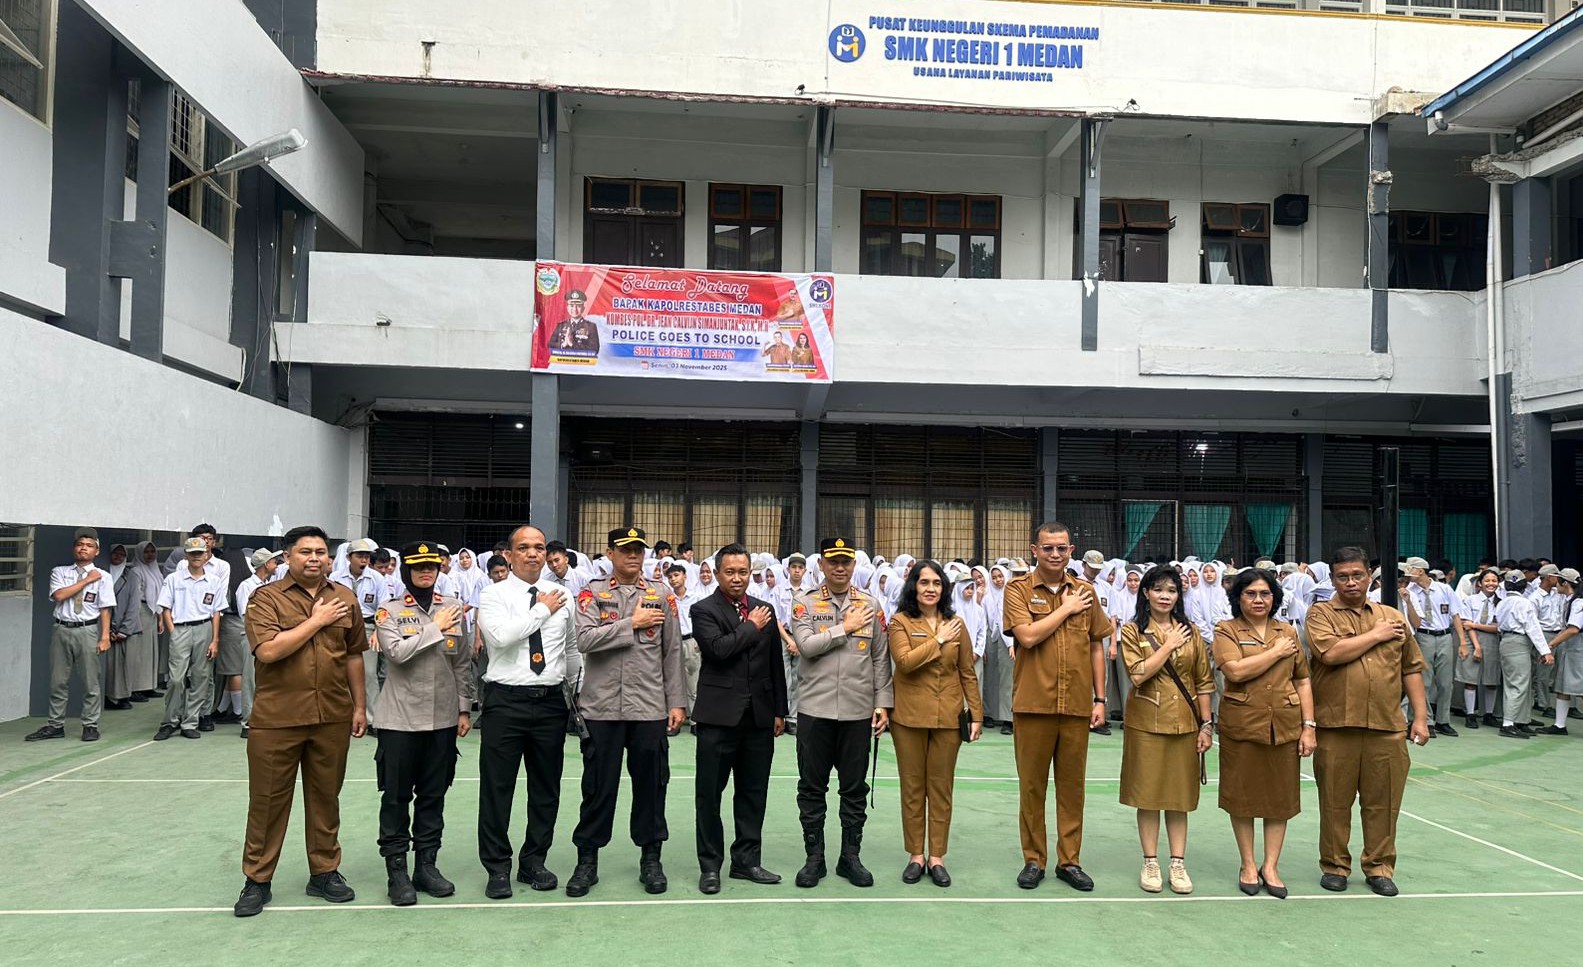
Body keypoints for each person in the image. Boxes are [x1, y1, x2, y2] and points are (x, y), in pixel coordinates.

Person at [235, 525, 370, 918]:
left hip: (331, 714)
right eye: (305, 552)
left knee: (326, 797)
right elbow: (268, 651)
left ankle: (324, 872)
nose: (314, 558)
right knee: (268, 801)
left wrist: (360, 707)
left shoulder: (344, 597)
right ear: (287, 557)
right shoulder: (266, 598)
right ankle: (257, 879)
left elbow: (353, 655)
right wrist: (317, 620)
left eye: (321, 552)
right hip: (278, 717)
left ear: (329, 558)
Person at [1304, 546, 1432, 898]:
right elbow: (1330, 654)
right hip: (1336, 726)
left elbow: (1411, 668)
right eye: (1342, 577)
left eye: (1357, 575)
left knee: (1384, 802)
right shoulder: (1320, 615)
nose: (1351, 582)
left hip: (1386, 725)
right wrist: (1376, 635)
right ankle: (1334, 865)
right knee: (1335, 802)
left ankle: (1379, 866)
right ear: (1333, 580)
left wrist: (1420, 718)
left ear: (1368, 577)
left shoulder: (1392, 616)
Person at [568, 527, 686, 897]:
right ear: (610, 553)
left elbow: (672, 651)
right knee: (597, 787)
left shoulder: (661, 594)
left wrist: (677, 702)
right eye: (625, 550)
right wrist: (630, 624)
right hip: (601, 708)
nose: (633, 555)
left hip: (648, 707)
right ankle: (587, 860)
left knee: (651, 786)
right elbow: (584, 639)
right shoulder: (592, 592)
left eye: (638, 550)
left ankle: (651, 858)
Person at [1002, 522, 1113, 892]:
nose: (1054, 554)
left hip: (1076, 705)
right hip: (1034, 704)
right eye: (1047, 548)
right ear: (1034, 550)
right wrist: (1066, 609)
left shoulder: (1085, 591)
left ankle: (1070, 861)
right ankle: (1034, 860)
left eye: (1061, 548)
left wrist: (1100, 698)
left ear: (1071, 551)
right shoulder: (1018, 590)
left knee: (1072, 789)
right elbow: (1027, 636)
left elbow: (1096, 645)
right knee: (1032, 788)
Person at [474, 525, 579, 899]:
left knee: (546, 788)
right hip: (506, 701)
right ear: (509, 555)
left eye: (539, 547)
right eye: (524, 547)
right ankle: (497, 867)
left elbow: (570, 649)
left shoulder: (564, 595)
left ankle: (534, 860)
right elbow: (500, 637)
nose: (533, 553)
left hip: (550, 702)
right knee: (497, 788)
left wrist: (576, 693)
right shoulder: (493, 594)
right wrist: (542, 609)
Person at [371, 542, 474, 906]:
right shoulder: (389, 610)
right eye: (418, 567)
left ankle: (426, 867)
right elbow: (396, 653)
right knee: (396, 797)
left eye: (431, 566)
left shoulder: (452, 608)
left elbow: (462, 663)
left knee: (433, 795)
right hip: (400, 719)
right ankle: (397, 872)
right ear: (407, 572)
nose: (426, 572)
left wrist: (464, 709)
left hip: (442, 718)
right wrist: (435, 627)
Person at [789, 537, 893, 889]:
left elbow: (880, 658)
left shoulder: (870, 604)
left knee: (854, 789)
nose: (839, 567)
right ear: (821, 564)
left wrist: (883, 703)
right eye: (832, 561)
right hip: (815, 711)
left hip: (857, 711)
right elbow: (806, 646)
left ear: (853, 565)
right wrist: (844, 628)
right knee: (811, 788)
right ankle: (814, 858)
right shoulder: (804, 602)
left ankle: (850, 857)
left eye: (845, 561)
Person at [689, 543, 788, 894]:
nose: (737, 578)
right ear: (717, 573)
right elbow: (718, 650)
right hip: (718, 716)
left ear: (750, 573)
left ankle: (747, 861)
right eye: (729, 572)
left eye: (743, 572)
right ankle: (710, 866)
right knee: (709, 794)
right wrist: (750, 627)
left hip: (758, 716)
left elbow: (775, 662)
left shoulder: (765, 608)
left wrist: (779, 709)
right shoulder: (703, 610)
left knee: (752, 792)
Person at [1213, 567, 1315, 900]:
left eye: (1265, 594)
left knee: (1279, 799)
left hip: (1283, 725)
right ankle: (1247, 863)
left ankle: (1271, 866)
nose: (1259, 600)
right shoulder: (1227, 630)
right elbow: (1235, 671)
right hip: (1243, 725)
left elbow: (1302, 679)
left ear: (1275, 598)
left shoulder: (1288, 631)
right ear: (1238, 597)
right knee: (1241, 797)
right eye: (1251, 594)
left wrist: (1309, 726)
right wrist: (1275, 652)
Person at [1117, 566, 1214, 895]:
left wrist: (1206, 725)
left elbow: (1203, 681)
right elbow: (1138, 674)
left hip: (1185, 722)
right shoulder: (1133, 631)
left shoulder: (1191, 631)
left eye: (1171, 591)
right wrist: (1168, 645)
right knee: (1147, 795)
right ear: (1146, 593)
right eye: (1158, 589)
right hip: (1146, 722)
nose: (1165, 596)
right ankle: (1150, 861)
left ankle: (1177, 862)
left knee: (1179, 797)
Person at [887, 561, 982, 888]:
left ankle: (937, 856)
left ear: (944, 588)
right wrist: (938, 640)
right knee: (913, 788)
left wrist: (977, 714)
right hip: (909, 718)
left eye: (936, 583)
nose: (930, 589)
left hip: (948, 717)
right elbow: (904, 662)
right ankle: (916, 855)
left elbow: (967, 671)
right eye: (924, 582)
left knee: (941, 789)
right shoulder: (900, 622)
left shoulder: (956, 623)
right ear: (913, 586)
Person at [27, 528, 115, 742]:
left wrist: (105, 636)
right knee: (58, 681)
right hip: (62, 629)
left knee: (91, 681)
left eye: (89, 546)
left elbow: (105, 608)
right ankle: (55, 725)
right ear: (74, 548)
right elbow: (59, 595)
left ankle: (90, 725)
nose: (84, 548)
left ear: (96, 551)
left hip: (87, 630)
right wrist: (86, 580)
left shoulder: (104, 576)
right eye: (80, 544)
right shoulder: (61, 572)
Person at [153, 538, 228, 742]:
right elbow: (166, 608)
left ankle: (190, 722)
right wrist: (173, 631)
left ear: (206, 555)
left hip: (204, 628)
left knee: (200, 677)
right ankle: (170, 721)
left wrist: (215, 640)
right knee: (176, 679)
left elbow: (216, 612)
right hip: (181, 628)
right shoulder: (174, 579)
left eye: (200, 553)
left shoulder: (214, 581)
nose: (196, 556)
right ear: (186, 555)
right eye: (192, 553)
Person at [1402, 556, 1463, 736]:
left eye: (1411, 570)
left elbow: (1455, 615)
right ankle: (1426, 720)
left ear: (1420, 571)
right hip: (1423, 635)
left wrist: (1462, 642)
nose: (1408, 574)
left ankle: (1443, 720)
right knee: (1424, 680)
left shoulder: (1444, 589)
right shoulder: (1409, 591)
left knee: (1445, 682)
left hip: (1444, 635)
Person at [1495, 569, 1555, 738]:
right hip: (1519, 642)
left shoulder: (1502, 603)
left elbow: (1498, 625)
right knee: (1519, 683)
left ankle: (1520, 720)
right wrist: (1545, 651)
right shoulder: (1524, 603)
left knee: (1517, 683)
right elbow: (1533, 628)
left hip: (1506, 641)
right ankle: (1508, 724)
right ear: (1524, 586)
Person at [333, 538, 386, 731]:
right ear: (349, 557)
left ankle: (373, 720)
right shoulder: (336, 577)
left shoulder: (376, 578)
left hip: (368, 626)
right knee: (339, 672)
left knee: (369, 673)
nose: (364, 560)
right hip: (341, 625)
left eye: (366, 556)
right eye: (359, 556)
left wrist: (378, 632)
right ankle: (344, 717)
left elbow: (384, 607)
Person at [235, 549, 282, 739]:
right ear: (265, 565)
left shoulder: (269, 585)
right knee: (250, 678)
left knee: (267, 677)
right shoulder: (246, 586)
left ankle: (265, 718)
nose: (276, 564)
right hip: (251, 636)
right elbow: (246, 614)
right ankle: (248, 721)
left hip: (269, 636)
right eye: (273, 561)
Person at [1458, 569, 1502, 729]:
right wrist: (1477, 647)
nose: (1491, 584)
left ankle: (1488, 714)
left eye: (1494, 581)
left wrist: (1475, 625)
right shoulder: (1470, 600)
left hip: (1492, 640)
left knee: (1491, 679)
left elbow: (1498, 627)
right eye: (1487, 580)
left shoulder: (1501, 602)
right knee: (1470, 678)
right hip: (1472, 639)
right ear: (1480, 583)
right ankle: (1470, 714)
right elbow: (1466, 625)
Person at [1543, 571, 1583, 735]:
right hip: (1570, 648)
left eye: (1558, 581)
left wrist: (1551, 644)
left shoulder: (1578, 603)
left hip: (1578, 648)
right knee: (1562, 686)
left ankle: (1560, 725)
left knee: (1580, 687)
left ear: (1565, 583)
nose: (1555, 584)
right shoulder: (1569, 601)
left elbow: (1573, 629)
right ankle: (1559, 725)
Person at [666, 563, 706, 721]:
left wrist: (700, 640)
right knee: (673, 679)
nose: (673, 579)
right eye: (670, 577)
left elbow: (703, 622)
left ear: (685, 576)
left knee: (693, 680)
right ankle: (673, 718)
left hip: (691, 640)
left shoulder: (696, 598)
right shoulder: (668, 599)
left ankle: (695, 719)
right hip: (673, 641)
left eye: (676, 575)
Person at [103, 544, 140, 711]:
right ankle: (107, 697)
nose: (118, 556)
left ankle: (123, 697)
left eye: (121, 554)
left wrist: (125, 629)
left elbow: (134, 604)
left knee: (125, 665)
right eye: (115, 553)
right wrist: (107, 629)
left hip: (126, 628)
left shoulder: (130, 575)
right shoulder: (102, 573)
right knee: (108, 666)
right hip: (106, 628)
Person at [128, 540, 165, 701]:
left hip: (152, 613)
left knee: (151, 651)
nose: (150, 555)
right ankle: (136, 688)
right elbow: (135, 596)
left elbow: (160, 596)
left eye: (152, 551)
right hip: (140, 611)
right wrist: (135, 619)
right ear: (139, 553)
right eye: (146, 552)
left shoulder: (155, 570)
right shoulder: (136, 571)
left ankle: (149, 686)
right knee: (139, 652)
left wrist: (160, 618)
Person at [549, 290, 600, 354]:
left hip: (582, 360)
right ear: (567, 308)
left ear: (583, 308)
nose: (575, 309)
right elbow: (550, 345)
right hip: (562, 360)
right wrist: (563, 344)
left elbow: (595, 349)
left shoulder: (591, 326)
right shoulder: (560, 326)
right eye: (572, 306)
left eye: (578, 306)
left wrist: (572, 344)